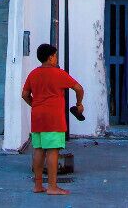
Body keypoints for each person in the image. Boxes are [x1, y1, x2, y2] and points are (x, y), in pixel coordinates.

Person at [22, 43, 84, 196]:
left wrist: (34, 104)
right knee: (52, 151)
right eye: (55, 56)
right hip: (53, 117)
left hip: (37, 116)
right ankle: (52, 187)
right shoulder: (59, 74)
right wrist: (79, 104)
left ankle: (38, 185)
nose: (56, 59)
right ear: (50, 58)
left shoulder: (33, 74)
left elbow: (24, 94)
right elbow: (79, 88)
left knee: (38, 150)